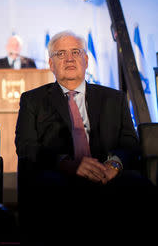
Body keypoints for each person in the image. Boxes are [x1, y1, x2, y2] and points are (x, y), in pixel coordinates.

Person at [15, 30, 157, 245]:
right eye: (60, 54)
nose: (69, 58)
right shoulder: (33, 100)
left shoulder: (114, 98)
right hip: (59, 174)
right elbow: (26, 146)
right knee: (46, 188)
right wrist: (66, 164)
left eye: (75, 52)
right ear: (51, 64)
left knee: (138, 185)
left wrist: (114, 165)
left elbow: (130, 143)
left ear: (86, 60)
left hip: (106, 172)